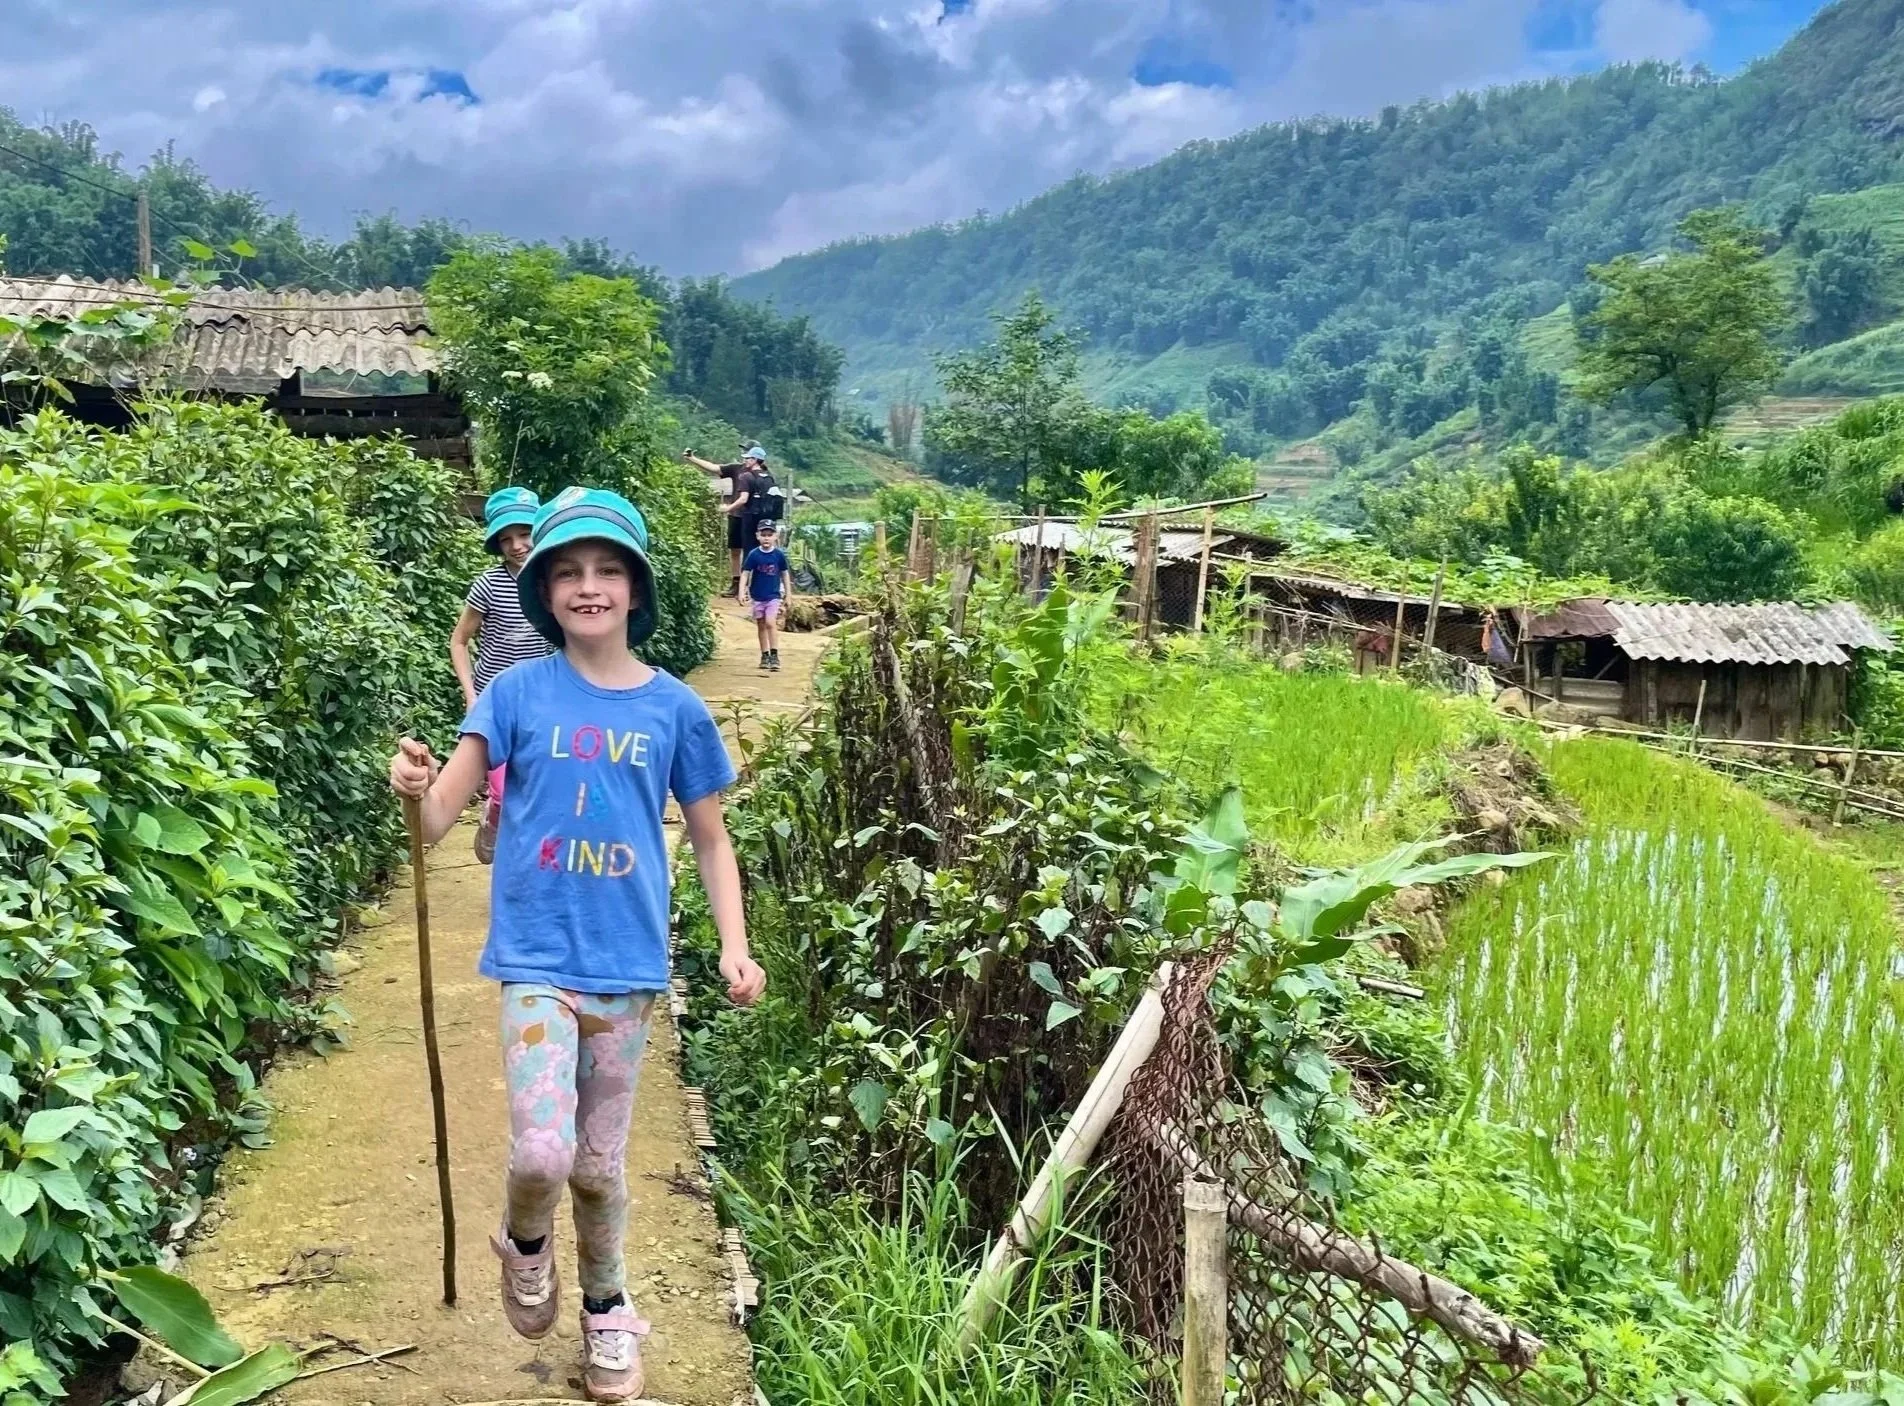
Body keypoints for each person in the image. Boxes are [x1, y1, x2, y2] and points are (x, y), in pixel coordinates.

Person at [388, 486, 767, 1403]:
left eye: (606, 571)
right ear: (544, 591)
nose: (587, 586)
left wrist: (734, 946)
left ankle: (606, 1312)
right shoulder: (514, 695)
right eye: (567, 572)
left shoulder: (675, 710)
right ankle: (524, 1244)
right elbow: (439, 818)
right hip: (535, 963)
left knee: (599, 1170)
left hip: (629, 971)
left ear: (635, 590)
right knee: (542, 1157)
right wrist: (413, 784)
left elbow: (711, 837)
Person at [450, 487, 556, 865]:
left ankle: (530, 864)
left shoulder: (554, 581)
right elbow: (459, 642)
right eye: (506, 539)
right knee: (500, 790)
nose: (516, 545)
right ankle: (493, 822)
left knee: (539, 790)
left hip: (542, 701)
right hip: (494, 703)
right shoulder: (489, 585)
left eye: (524, 534)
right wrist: (470, 694)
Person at [681, 445, 751, 596]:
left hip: (752, 516)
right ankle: (736, 582)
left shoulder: (761, 472)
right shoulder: (736, 468)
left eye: (747, 451)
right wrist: (692, 459)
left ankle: (749, 585)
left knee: (750, 551)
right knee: (734, 550)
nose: (744, 454)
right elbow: (714, 468)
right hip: (735, 514)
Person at [739, 519, 789, 672]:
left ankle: (774, 654)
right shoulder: (754, 555)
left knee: (770, 622)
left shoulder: (779, 555)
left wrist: (788, 595)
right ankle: (764, 655)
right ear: (757, 536)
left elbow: (785, 574)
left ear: (776, 536)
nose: (766, 538)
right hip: (757, 597)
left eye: (770, 534)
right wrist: (741, 591)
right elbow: (746, 573)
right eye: (763, 534)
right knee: (761, 625)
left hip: (773, 596)